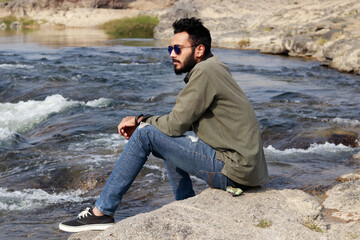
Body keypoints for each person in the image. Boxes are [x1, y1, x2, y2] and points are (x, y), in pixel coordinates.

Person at [59, 17, 268, 233]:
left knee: (145, 134)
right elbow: (179, 124)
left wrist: (140, 120)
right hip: (245, 171)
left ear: (199, 50)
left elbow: (175, 125)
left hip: (234, 171)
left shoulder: (206, 72)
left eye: (177, 48)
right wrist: (152, 123)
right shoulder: (214, 67)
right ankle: (185, 202)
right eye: (170, 48)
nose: (171, 54)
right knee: (161, 134)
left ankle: (102, 213)